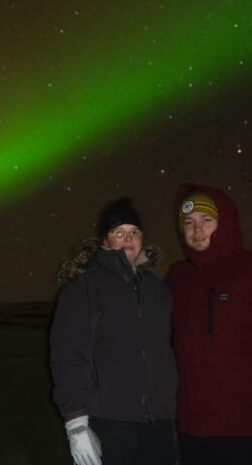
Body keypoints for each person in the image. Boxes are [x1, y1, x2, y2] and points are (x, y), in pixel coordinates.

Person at [166, 184, 252, 465]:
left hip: (243, 430)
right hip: (186, 431)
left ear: (224, 221)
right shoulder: (176, 277)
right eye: (189, 223)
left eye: (207, 220)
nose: (197, 230)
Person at [50, 197, 179, 465]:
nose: (127, 238)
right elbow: (67, 355)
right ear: (104, 241)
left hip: (159, 423)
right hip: (109, 421)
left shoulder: (158, 290)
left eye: (134, 232)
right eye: (118, 232)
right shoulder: (84, 287)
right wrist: (76, 423)